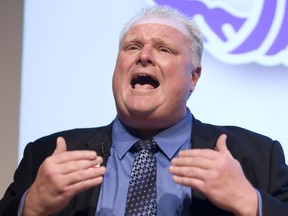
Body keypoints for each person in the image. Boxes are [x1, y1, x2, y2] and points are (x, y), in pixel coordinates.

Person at [1, 5, 288, 216]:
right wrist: (31, 207)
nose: (144, 56)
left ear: (194, 77)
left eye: (164, 49)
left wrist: (251, 203)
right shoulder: (46, 156)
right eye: (132, 46)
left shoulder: (258, 157)